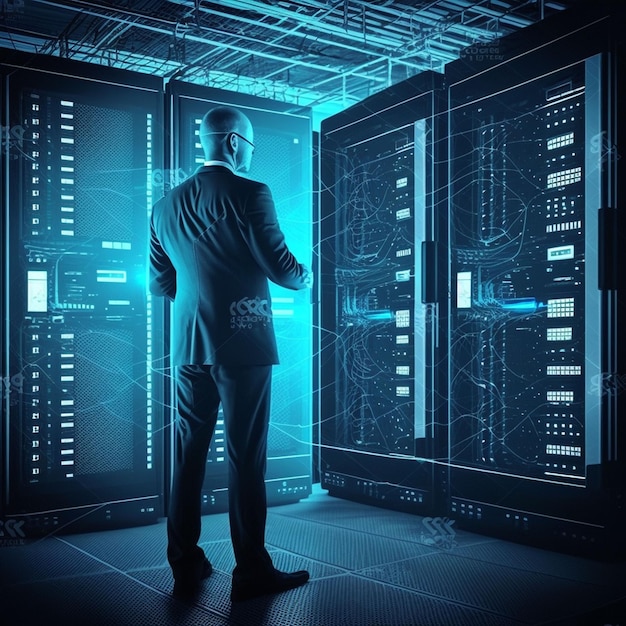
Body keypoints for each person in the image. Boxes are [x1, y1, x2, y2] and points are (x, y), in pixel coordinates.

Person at [149, 105, 312, 602]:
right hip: (242, 344)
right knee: (245, 457)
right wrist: (306, 275)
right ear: (237, 144)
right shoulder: (251, 192)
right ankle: (252, 572)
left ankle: (185, 564)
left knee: (188, 454)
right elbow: (282, 268)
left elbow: (161, 283)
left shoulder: (164, 205)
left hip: (187, 347)